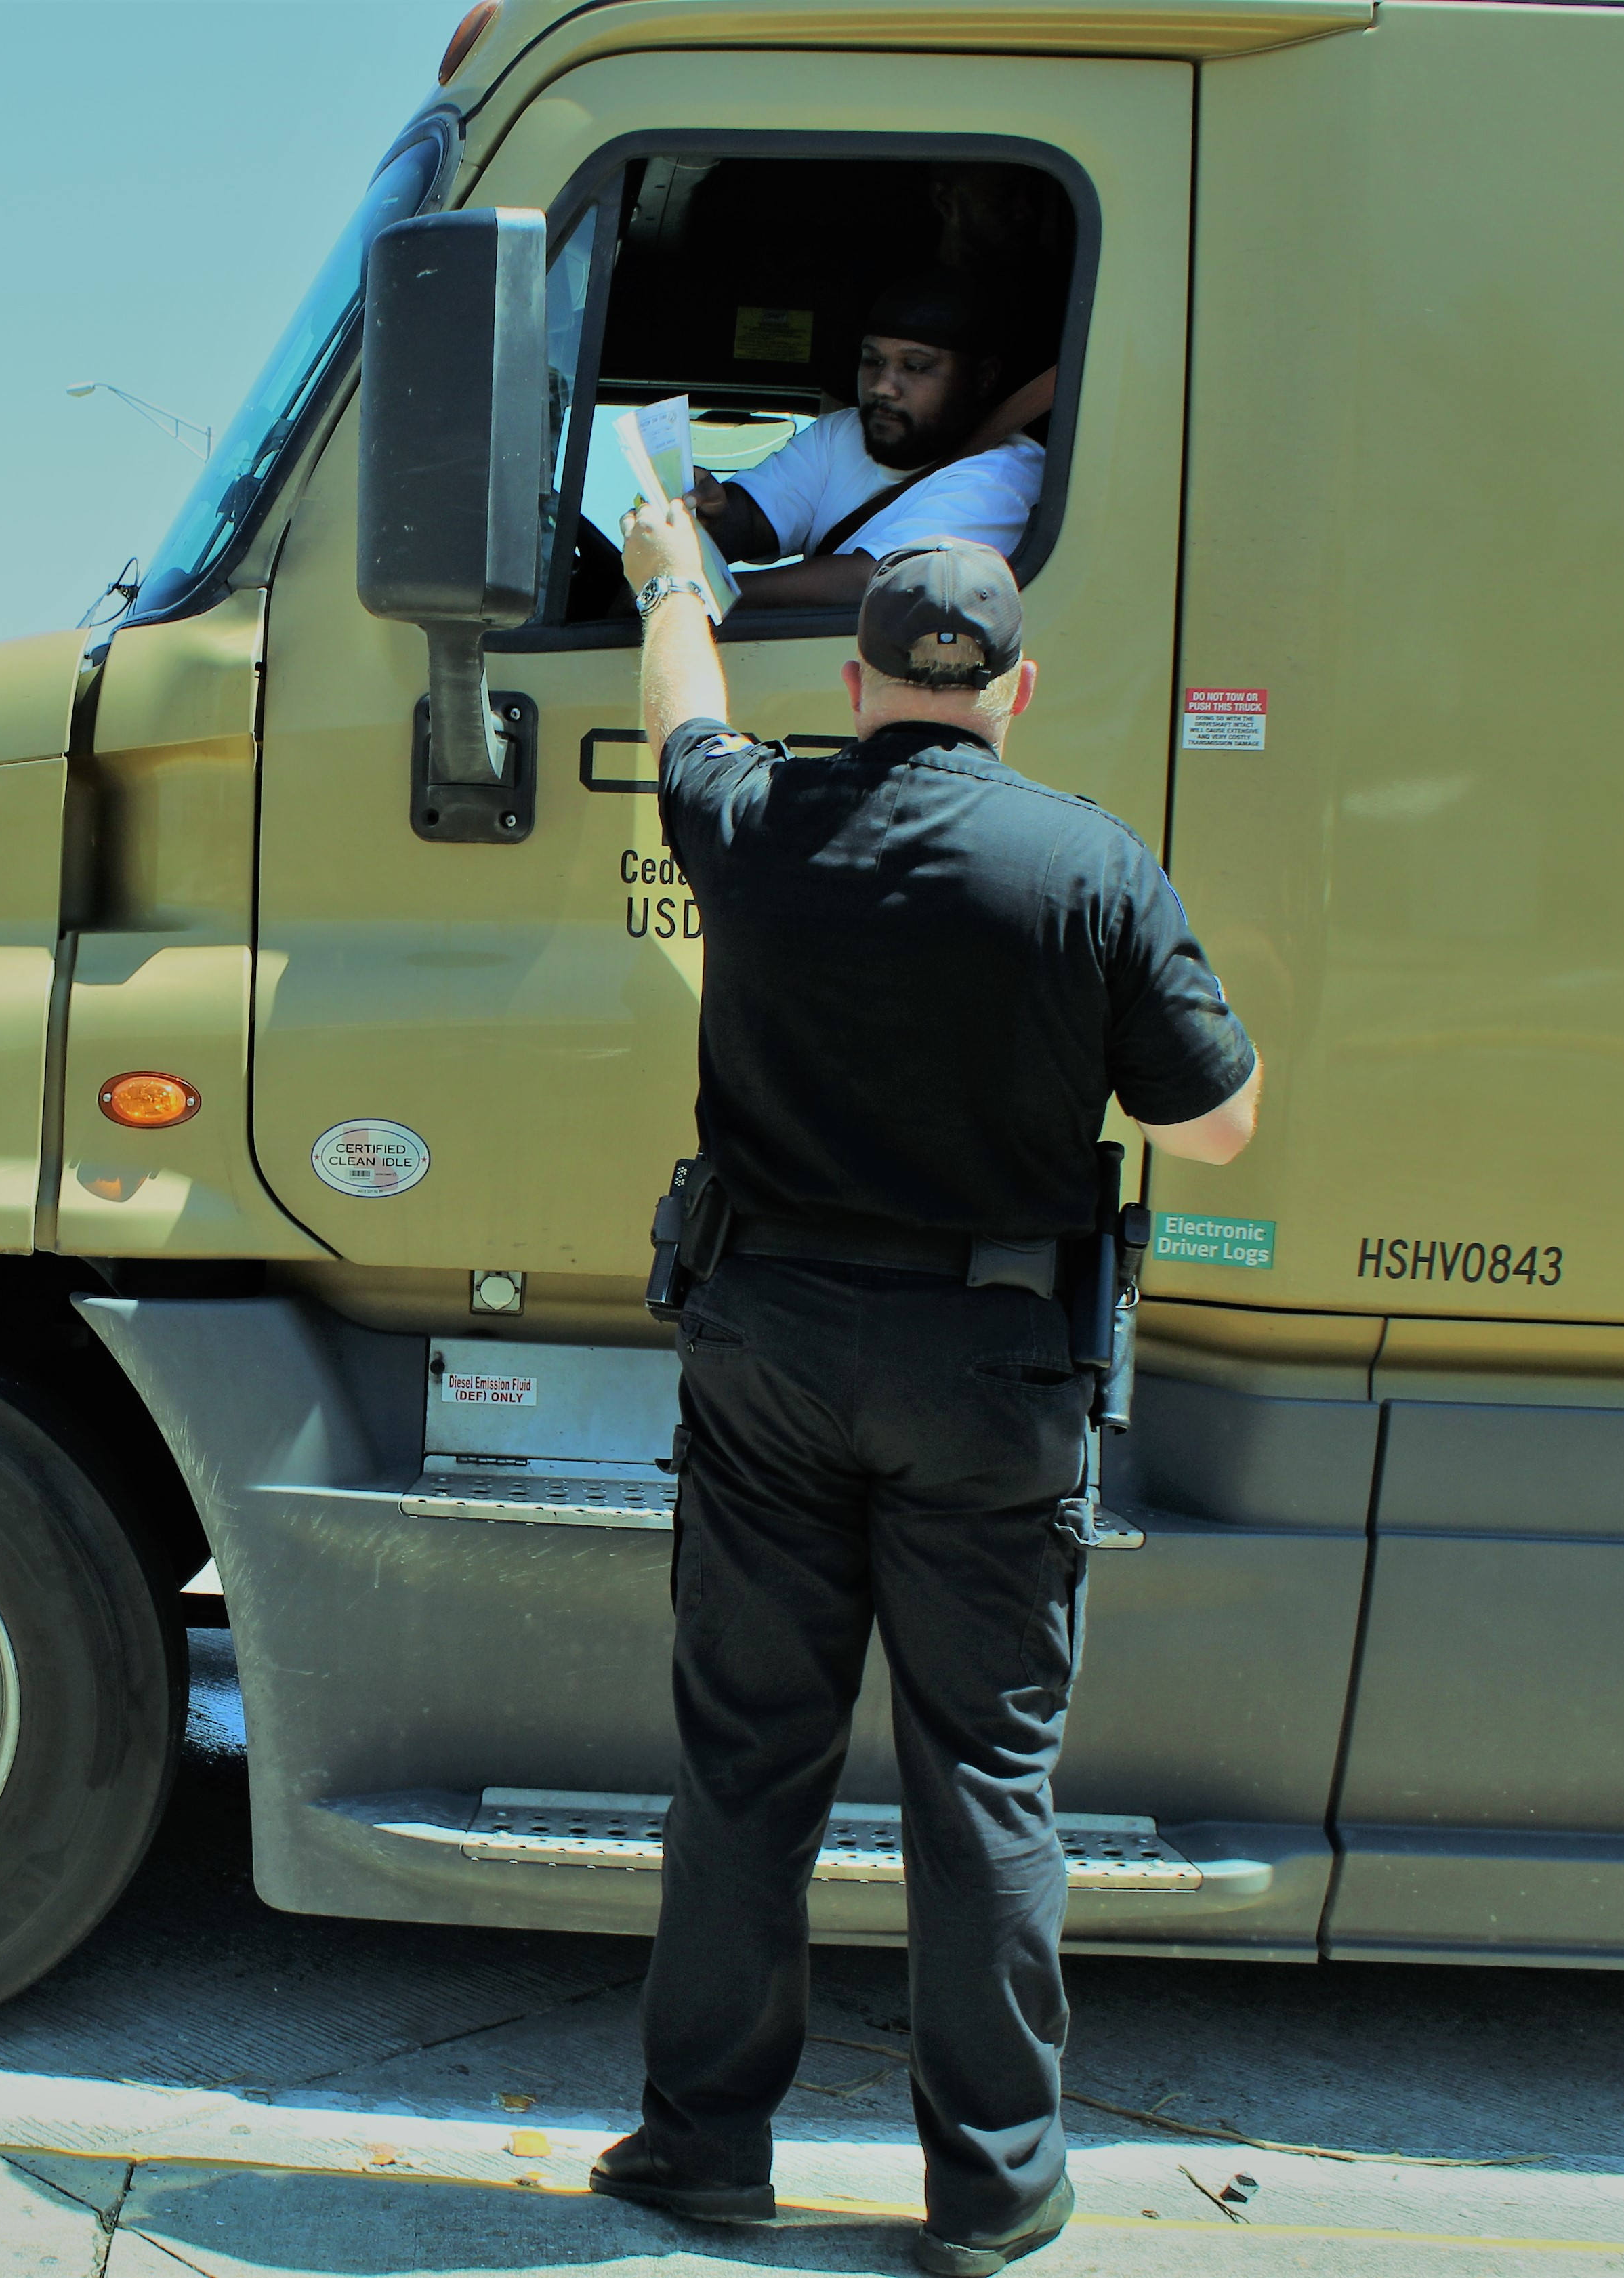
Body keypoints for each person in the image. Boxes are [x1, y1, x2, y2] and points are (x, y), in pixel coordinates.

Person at [590, 509, 1262, 2275]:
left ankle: (702, 2148)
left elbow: (680, 714)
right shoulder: (1087, 866)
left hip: (770, 1352)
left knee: (747, 1765)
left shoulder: (756, 819)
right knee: (983, 1783)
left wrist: (673, 575)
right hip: (990, 1369)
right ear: (1016, 692)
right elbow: (1214, 1123)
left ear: (857, 683)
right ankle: (993, 2190)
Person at [692, 271, 1046, 609]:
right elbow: (755, 518)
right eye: (873, 361)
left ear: (982, 378)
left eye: (915, 367)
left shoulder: (1004, 478)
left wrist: (695, 595)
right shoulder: (842, 433)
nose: (882, 387)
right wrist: (708, 517)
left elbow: (875, 581)